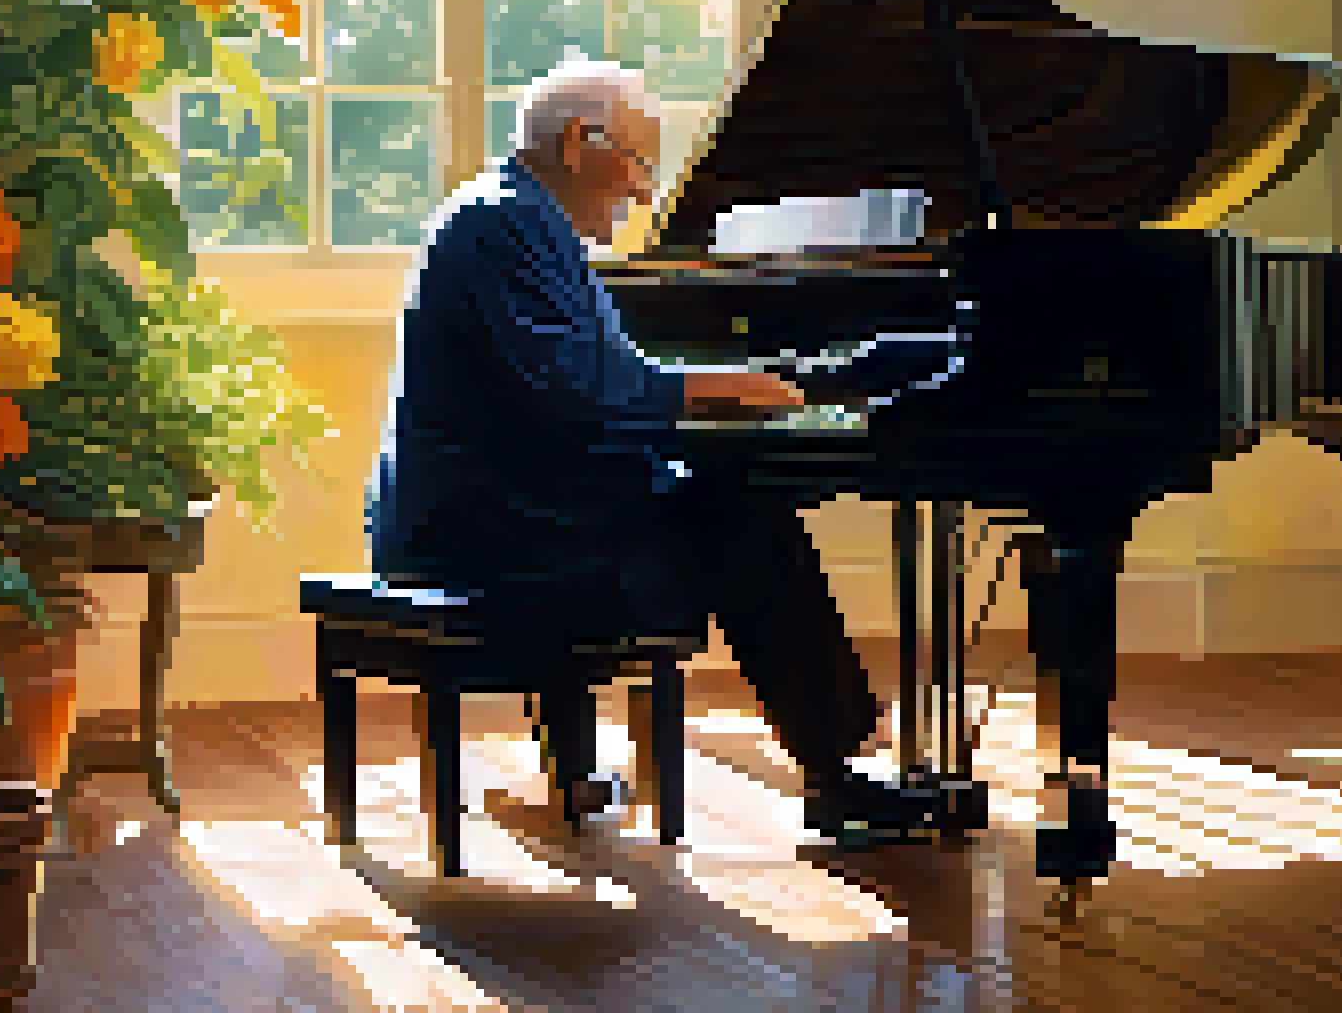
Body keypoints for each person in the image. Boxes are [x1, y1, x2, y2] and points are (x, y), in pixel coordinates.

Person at [365, 59, 935, 845]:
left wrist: (705, 396)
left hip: (492, 507)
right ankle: (837, 775)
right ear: (577, 143)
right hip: (487, 535)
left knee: (719, 501)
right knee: (745, 518)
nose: (641, 192)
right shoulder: (510, 226)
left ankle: (827, 760)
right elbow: (576, 392)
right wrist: (716, 392)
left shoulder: (511, 215)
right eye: (636, 165)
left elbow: (590, 385)